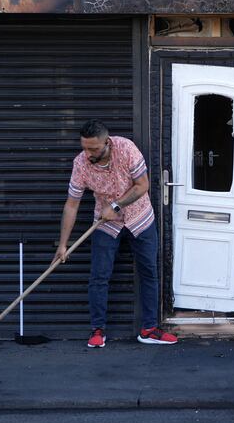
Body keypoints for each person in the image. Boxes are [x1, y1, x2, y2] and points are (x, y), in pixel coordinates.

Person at [53, 119, 177, 348]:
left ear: (107, 143)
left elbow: (142, 185)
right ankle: (97, 330)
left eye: (93, 148)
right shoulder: (80, 164)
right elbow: (71, 205)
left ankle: (149, 329)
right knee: (99, 276)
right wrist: (63, 245)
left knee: (149, 270)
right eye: (84, 147)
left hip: (140, 218)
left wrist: (117, 205)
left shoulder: (126, 148)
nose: (88, 153)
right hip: (105, 223)